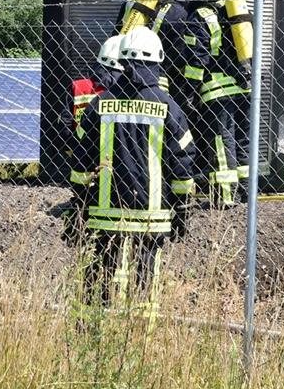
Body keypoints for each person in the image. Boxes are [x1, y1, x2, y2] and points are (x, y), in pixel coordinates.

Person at [69, 26, 196, 327]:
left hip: (105, 210)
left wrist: (80, 201)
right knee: (145, 275)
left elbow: (81, 156)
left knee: (100, 270)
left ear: (123, 61)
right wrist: (182, 209)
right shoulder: (167, 106)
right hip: (152, 211)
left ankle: (92, 329)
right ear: (158, 61)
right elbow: (183, 160)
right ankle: (141, 333)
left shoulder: (100, 104)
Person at [181, 0, 253, 207]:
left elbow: (196, 61)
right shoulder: (231, 10)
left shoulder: (199, 17)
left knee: (222, 143)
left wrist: (189, 92)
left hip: (216, 91)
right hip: (244, 86)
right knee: (243, 141)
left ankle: (225, 198)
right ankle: (247, 193)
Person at [116, 0, 191, 101]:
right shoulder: (178, 12)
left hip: (122, 72)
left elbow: (117, 31)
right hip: (156, 79)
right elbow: (178, 55)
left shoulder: (132, 0)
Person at [60, 34, 125, 156]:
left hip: (83, 155)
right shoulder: (130, 92)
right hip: (119, 156)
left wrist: (71, 150)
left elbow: (65, 123)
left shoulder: (78, 87)